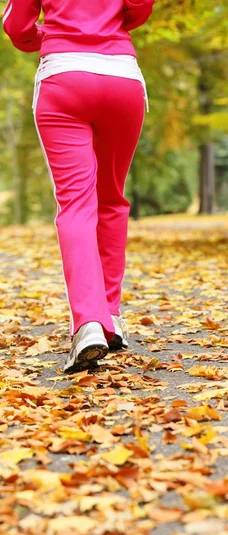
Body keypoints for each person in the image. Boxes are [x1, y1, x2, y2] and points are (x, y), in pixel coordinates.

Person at [3, 0, 155, 373]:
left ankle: (89, 322)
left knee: (75, 205)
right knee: (112, 200)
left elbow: (17, 26)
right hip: (122, 78)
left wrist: (49, 34)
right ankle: (111, 316)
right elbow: (138, 10)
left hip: (65, 76)